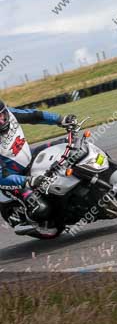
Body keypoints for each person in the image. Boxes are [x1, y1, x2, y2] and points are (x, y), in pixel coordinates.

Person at [0, 100, 77, 235]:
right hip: (14, 179)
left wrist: (61, 119)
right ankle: (26, 222)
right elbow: (2, 178)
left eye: (2, 115)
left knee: (69, 146)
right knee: (42, 209)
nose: (1, 121)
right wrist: (30, 181)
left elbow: (35, 115)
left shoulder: (11, 114)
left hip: (30, 157)